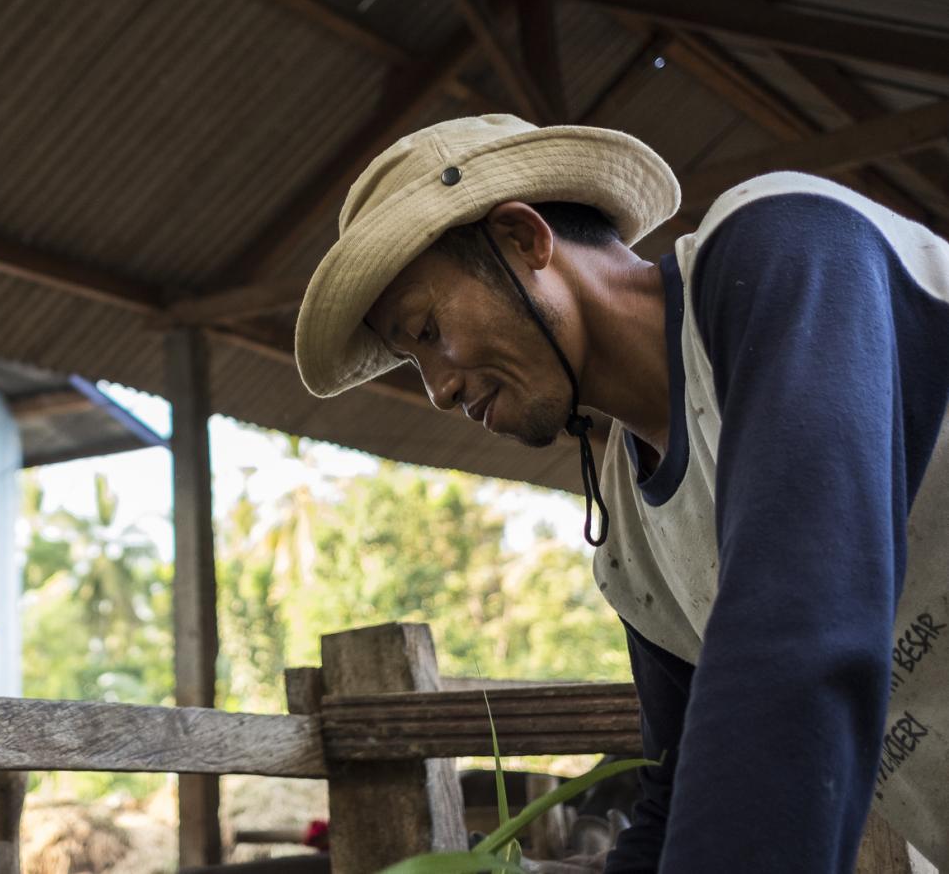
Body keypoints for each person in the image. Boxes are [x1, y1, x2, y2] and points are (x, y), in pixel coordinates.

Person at [293, 114, 948, 872]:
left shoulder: (782, 246)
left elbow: (801, 623)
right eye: (411, 360)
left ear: (523, 238)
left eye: (428, 328)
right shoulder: (631, 549)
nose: (436, 389)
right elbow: (672, 797)